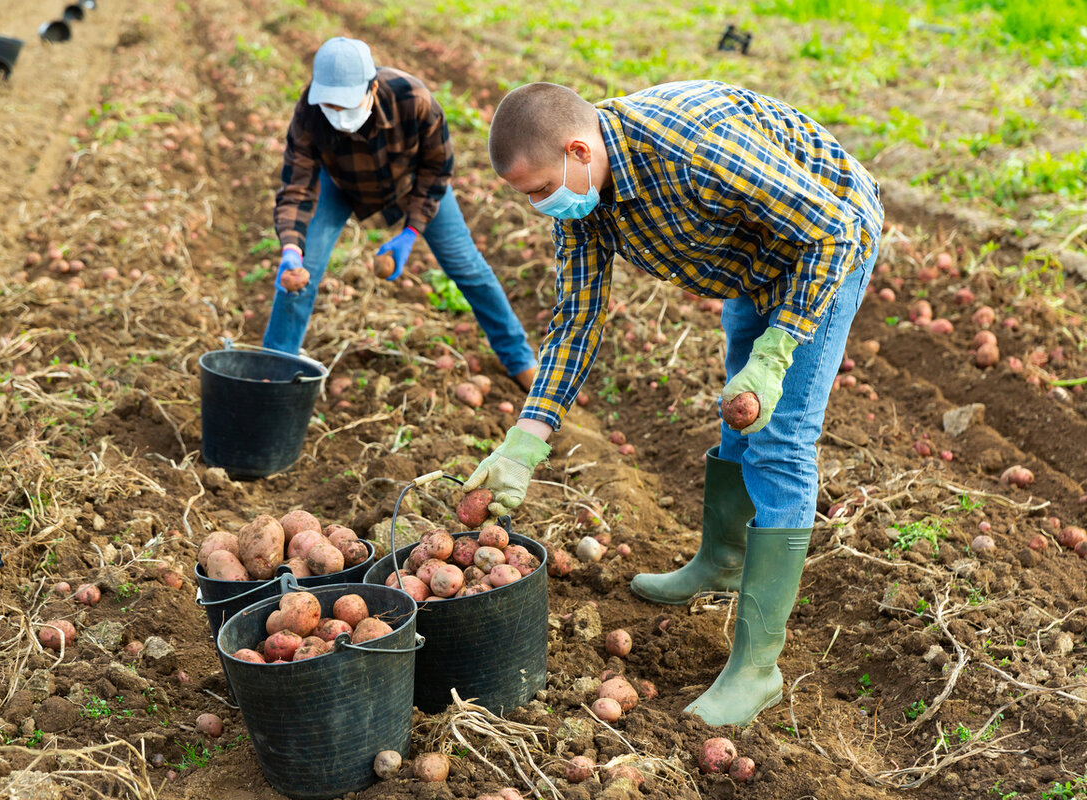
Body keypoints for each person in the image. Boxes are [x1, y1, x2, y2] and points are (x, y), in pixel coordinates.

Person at [465, 80, 883, 726]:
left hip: (827, 244)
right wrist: (528, 437)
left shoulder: (693, 148)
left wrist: (776, 356)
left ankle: (757, 667)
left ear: (579, 149)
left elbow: (830, 231)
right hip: (752, 261)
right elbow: (577, 321)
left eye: (541, 190)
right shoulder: (588, 198)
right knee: (738, 410)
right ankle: (720, 560)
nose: (541, 207)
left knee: (779, 436)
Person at [267, 37, 537, 388]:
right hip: (340, 183)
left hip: (412, 180)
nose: (338, 115)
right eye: (330, 106)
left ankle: (519, 358)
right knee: (302, 269)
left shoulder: (414, 100)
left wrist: (410, 233)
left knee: (466, 265)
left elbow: (437, 169)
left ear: (373, 87)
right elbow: (296, 187)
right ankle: (275, 365)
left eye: (347, 105)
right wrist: (290, 247)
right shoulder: (309, 111)